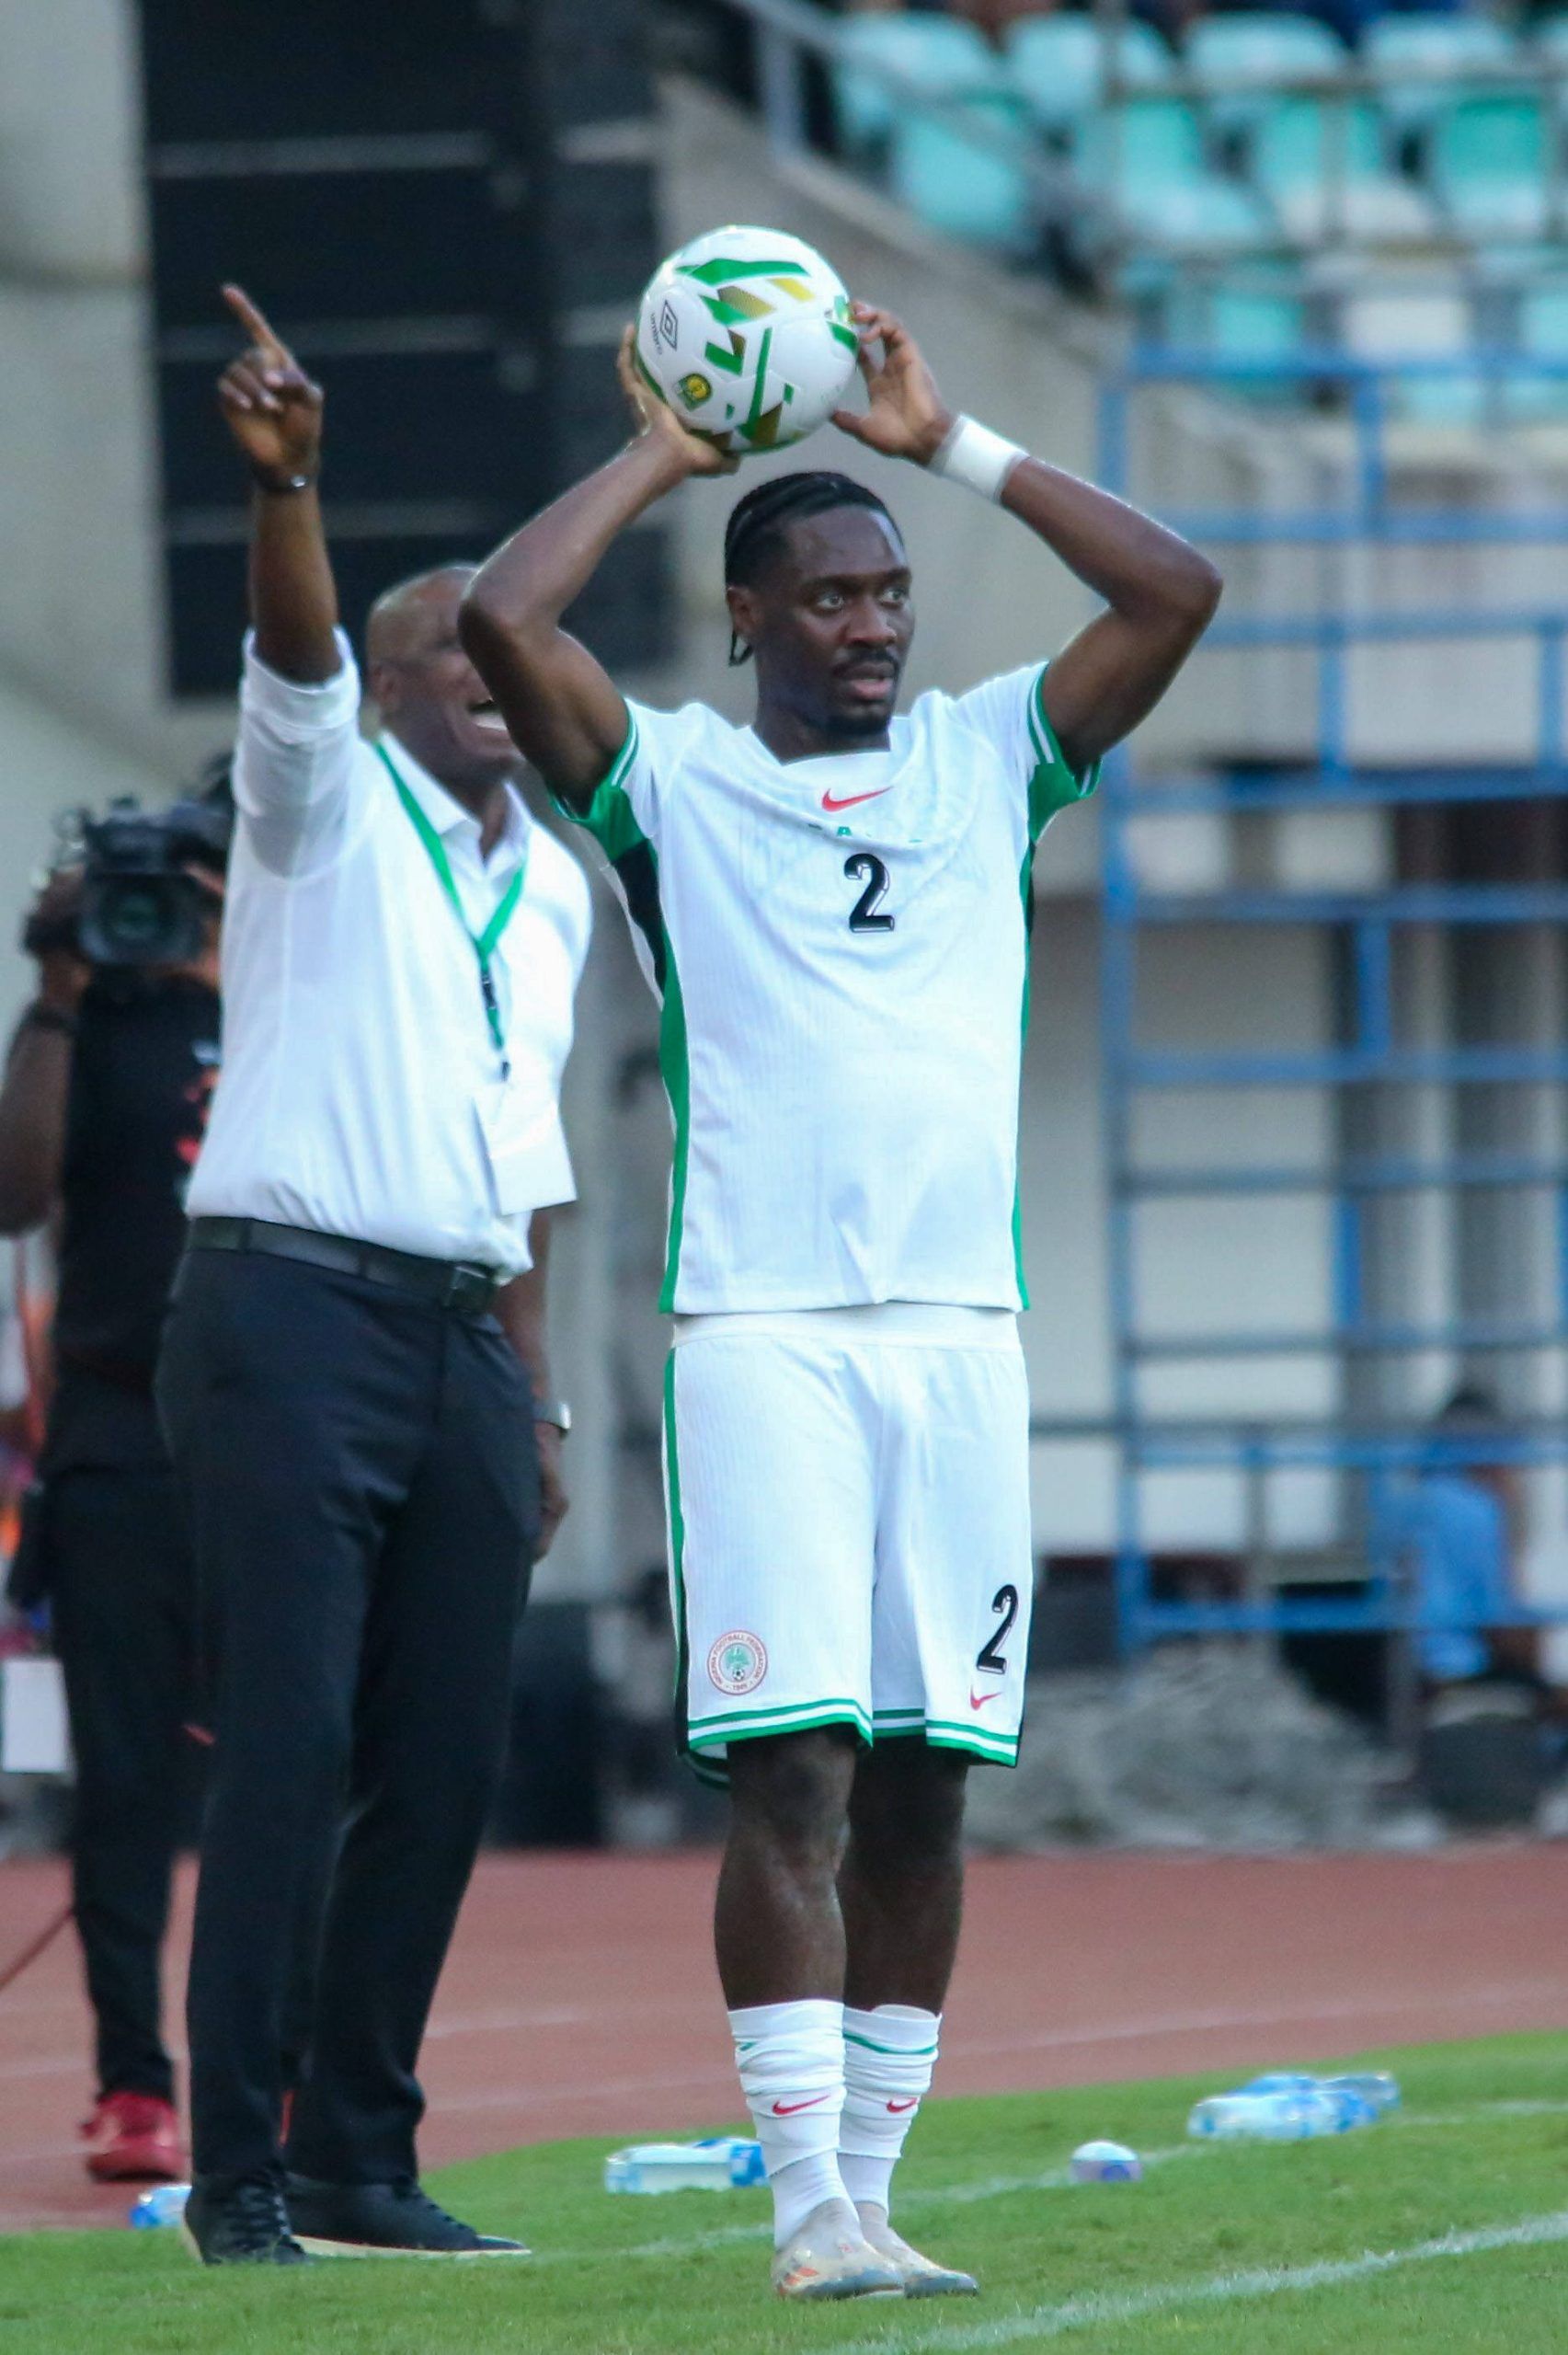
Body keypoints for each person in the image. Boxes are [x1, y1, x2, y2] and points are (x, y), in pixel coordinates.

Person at [459, 300, 1220, 2300]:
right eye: (826, 598)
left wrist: (952, 444)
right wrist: (662, 451)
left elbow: (1177, 583)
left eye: (888, 593)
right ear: (744, 620)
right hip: (767, 1336)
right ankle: (800, 2206)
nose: (873, 625)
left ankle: (876, 2192)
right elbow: (499, 628)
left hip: (962, 1336)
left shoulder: (990, 760)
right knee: (791, 1764)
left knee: (928, 1778)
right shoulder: (677, 791)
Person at [155, 286, 590, 2266]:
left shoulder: (558, 884)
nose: (498, 671)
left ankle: (358, 2149)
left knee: (438, 1757)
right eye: (457, 648)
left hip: (460, 1336)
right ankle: (234, 2167)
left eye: (520, 647)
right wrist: (296, 493)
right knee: (297, 1740)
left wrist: (541, 1384)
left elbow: (532, 1169)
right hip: (286, 1312)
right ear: (395, 681)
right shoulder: (320, 813)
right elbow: (292, 654)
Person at [0, 821, 226, 2185]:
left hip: (274, 1429)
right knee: (128, 1780)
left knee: (294, 1758)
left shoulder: (302, 994)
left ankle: (284, 2061)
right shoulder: (94, 1023)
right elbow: (16, 1191)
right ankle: (134, 2084)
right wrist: (59, 982)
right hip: (114, 1437)